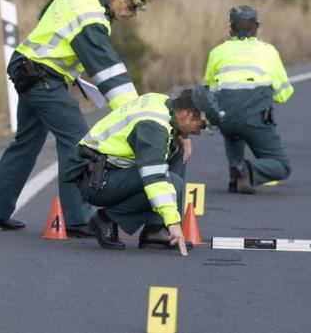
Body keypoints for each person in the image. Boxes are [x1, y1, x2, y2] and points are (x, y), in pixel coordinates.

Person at [0, 0, 154, 237]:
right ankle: (79, 218)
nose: (131, 13)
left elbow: (46, 15)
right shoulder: (93, 19)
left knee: (26, 142)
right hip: (43, 77)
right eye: (131, 4)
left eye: (136, 9)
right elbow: (109, 72)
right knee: (78, 142)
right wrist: (138, 116)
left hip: (28, 66)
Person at [64, 88, 219, 256]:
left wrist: (183, 136)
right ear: (188, 114)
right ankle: (107, 219)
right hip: (96, 181)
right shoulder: (153, 126)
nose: (198, 132)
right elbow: (154, 176)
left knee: (178, 150)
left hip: (104, 170)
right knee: (171, 183)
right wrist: (173, 222)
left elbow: (169, 132)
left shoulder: (161, 101)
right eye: (201, 125)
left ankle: (155, 229)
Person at [202, 5, 295, 194]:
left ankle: (234, 177)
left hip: (224, 116)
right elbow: (284, 93)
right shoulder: (267, 51)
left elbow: (209, 90)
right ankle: (247, 170)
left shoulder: (217, 52)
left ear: (230, 29)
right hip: (254, 117)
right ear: (256, 28)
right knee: (282, 166)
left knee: (233, 131)